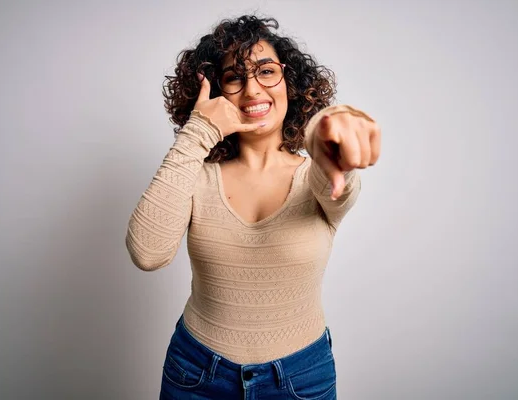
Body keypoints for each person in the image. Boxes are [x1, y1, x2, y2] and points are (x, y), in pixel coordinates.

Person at [125, 14, 381, 399]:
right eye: (234, 77)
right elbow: (147, 253)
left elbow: (336, 184)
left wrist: (328, 145)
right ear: (216, 93)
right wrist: (198, 131)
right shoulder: (195, 175)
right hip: (196, 374)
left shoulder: (316, 175)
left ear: (290, 82)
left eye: (266, 71)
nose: (252, 89)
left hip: (301, 378)